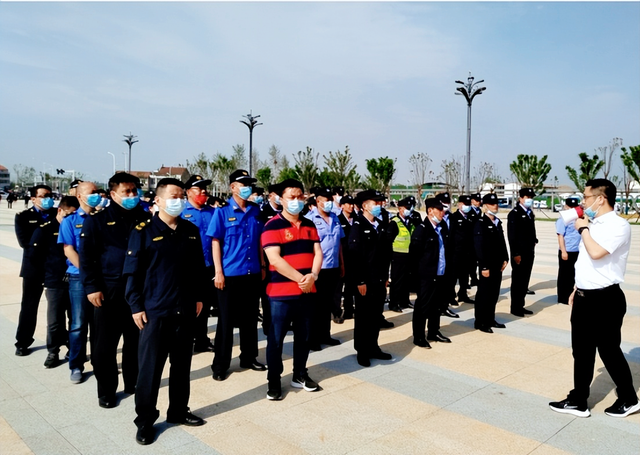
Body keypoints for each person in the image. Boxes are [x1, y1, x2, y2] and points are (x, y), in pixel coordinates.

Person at [124, 178, 206, 445]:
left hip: (185, 309)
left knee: (181, 366)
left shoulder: (190, 230)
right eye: (173, 196)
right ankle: (145, 421)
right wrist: (136, 305)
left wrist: (199, 297)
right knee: (150, 370)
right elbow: (132, 273)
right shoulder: (143, 230)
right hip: (155, 311)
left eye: (182, 196)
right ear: (158, 200)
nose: (178, 200)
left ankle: (178, 411)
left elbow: (198, 269)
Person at [549, 179, 639, 418]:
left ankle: (629, 399)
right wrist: (577, 287)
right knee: (581, 351)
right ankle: (578, 400)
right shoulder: (593, 223)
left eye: (586, 197)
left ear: (600, 199)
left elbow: (597, 253)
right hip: (584, 297)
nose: (583, 202)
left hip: (605, 299)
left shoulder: (618, 225)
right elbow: (586, 262)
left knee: (609, 350)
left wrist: (583, 229)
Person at [79, 172, 148, 408]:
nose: (132, 195)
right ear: (113, 194)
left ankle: (133, 382)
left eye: (134, 191)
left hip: (138, 290)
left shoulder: (145, 218)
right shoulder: (97, 221)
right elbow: (87, 257)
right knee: (104, 345)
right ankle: (107, 390)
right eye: (126, 191)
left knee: (135, 340)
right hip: (109, 290)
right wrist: (92, 286)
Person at [261, 178, 323, 400]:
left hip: (307, 291)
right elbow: (274, 260)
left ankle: (300, 374)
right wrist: (301, 279)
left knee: (304, 336)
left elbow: (318, 252)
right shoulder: (272, 226)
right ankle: (274, 381)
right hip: (280, 295)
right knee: (276, 339)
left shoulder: (310, 225)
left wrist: (313, 276)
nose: (296, 200)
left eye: (299, 196)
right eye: (291, 197)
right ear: (281, 199)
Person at [207, 169, 266, 382]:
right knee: (226, 322)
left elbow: (259, 240)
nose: (247, 188)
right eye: (243, 184)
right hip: (230, 274)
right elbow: (215, 242)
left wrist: (262, 264)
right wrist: (218, 272)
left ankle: (248, 357)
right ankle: (220, 364)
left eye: (249, 184)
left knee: (250, 319)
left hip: (252, 272)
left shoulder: (255, 210)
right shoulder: (222, 212)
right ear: (233, 187)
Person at [29, 196, 79, 367]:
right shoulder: (44, 230)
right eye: (68, 214)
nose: (70, 218)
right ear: (60, 211)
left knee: (75, 319)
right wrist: (46, 276)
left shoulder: (77, 227)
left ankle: (73, 350)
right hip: (54, 281)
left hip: (75, 280)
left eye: (74, 215)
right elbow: (34, 258)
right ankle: (53, 351)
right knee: (54, 321)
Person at [58, 181, 99, 384]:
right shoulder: (70, 221)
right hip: (79, 278)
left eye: (97, 192)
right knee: (78, 324)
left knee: (99, 325)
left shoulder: (102, 219)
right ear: (80, 196)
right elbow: (69, 250)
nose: (96, 195)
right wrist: (88, 273)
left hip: (102, 279)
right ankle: (76, 364)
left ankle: (100, 363)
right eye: (92, 193)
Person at [349, 190, 393, 367]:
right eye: (375, 203)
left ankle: (373, 346)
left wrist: (386, 276)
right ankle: (362, 350)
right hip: (365, 280)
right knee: (363, 317)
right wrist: (360, 280)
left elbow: (386, 253)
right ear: (365, 206)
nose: (379, 205)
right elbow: (355, 256)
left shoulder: (380, 225)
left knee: (375, 315)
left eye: (380, 202)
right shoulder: (358, 226)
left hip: (379, 279)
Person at [14, 185, 57, 356]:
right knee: (29, 306)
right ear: (33, 199)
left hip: (56, 267)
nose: (48, 199)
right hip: (34, 267)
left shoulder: (57, 213)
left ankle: (63, 340)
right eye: (43, 196)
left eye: (50, 195)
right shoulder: (23, 217)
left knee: (60, 307)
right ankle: (23, 342)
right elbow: (25, 242)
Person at [304, 186, 344, 350]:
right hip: (317, 268)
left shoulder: (335, 218)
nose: (328, 203)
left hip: (333, 266)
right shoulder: (309, 219)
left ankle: (325, 335)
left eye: (330, 200)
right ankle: (312, 338)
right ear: (318, 201)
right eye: (325, 200)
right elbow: (306, 246)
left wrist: (342, 263)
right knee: (315, 305)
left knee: (327, 303)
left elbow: (339, 243)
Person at [410, 198, 451, 348]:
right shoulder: (422, 230)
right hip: (426, 276)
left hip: (440, 273)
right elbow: (414, 257)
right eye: (439, 210)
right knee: (422, 306)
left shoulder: (443, 227)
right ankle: (419, 336)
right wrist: (415, 280)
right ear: (430, 211)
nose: (442, 212)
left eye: (443, 209)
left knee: (437, 305)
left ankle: (434, 331)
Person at [181, 174, 216, 352]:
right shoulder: (181, 212)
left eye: (204, 189)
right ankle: (186, 339)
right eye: (198, 189)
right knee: (187, 306)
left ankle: (202, 339)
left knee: (205, 304)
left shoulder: (213, 212)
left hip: (209, 266)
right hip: (187, 268)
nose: (203, 192)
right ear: (188, 192)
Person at [473, 194, 509, 333]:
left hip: (497, 264)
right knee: (484, 294)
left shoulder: (497, 222)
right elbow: (479, 246)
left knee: (494, 293)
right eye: (492, 204)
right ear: (485, 205)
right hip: (487, 264)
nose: (495, 206)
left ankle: (490, 319)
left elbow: (502, 241)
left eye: (496, 203)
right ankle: (480, 321)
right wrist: (484, 266)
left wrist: (505, 258)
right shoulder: (480, 223)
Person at [508, 187, 538, 316]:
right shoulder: (515, 213)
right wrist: (515, 253)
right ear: (521, 198)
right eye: (527, 197)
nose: (529, 199)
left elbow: (531, 230)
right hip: (519, 253)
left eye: (531, 197)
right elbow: (512, 236)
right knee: (518, 281)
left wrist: (534, 240)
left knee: (525, 280)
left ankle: (521, 305)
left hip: (529, 251)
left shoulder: (529, 213)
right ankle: (515, 308)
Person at [388, 197, 416, 313]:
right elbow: (389, 240)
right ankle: (394, 303)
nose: (409, 210)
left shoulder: (410, 221)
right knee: (397, 280)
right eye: (406, 208)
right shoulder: (395, 222)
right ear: (400, 209)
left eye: (410, 208)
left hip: (408, 255)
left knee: (406, 280)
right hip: (397, 255)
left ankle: (405, 301)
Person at [435, 192, 459, 319]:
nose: (446, 205)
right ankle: (436, 307)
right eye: (443, 203)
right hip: (438, 255)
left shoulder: (453, 218)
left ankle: (444, 306)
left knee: (449, 281)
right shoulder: (434, 220)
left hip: (451, 254)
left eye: (448, 203)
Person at [449, 195, 475, 304]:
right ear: (459, 205)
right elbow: (451, 235)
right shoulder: (454, 217)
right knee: (453, 275)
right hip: (456, 251)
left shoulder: (472, 216)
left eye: (469, 204)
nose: (467, 207)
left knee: (465, 275)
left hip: (468, 251)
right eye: (465, 204)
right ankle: (451, 296)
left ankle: (463, 294)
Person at [556, 196, 581, 304]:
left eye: (574, 207)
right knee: (564, 275)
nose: (572, 209)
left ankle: (571, 295)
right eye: (570, 207)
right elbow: (560, 236)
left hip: (577, 250)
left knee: (573, 275)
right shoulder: (562, 219)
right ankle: (562, 297)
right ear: (566, 207)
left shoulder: (579, 219)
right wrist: (563, 251)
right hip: (567, 250)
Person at [337, 195, 356, 320]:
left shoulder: (357, 219)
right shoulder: (338, 219)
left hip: (354, 257)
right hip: (341, 257)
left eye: (352, 204)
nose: (351, 206)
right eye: (348, 204)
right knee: (339, 286)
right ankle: (337, 311)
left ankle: (349, 309)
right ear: (342, 206)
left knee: (351, 285)